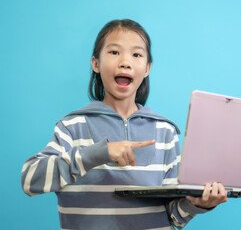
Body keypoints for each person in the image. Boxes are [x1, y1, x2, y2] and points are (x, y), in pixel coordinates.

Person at [21, 19, 227, 230]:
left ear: (147, 68)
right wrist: (99, 153)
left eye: (136, 55)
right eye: (114, 52)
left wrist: (196, 205)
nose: (125, 62)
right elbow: (30, 180)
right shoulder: (73, 126)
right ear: (96, 64)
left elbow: (173, 216)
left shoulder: (166, 132)